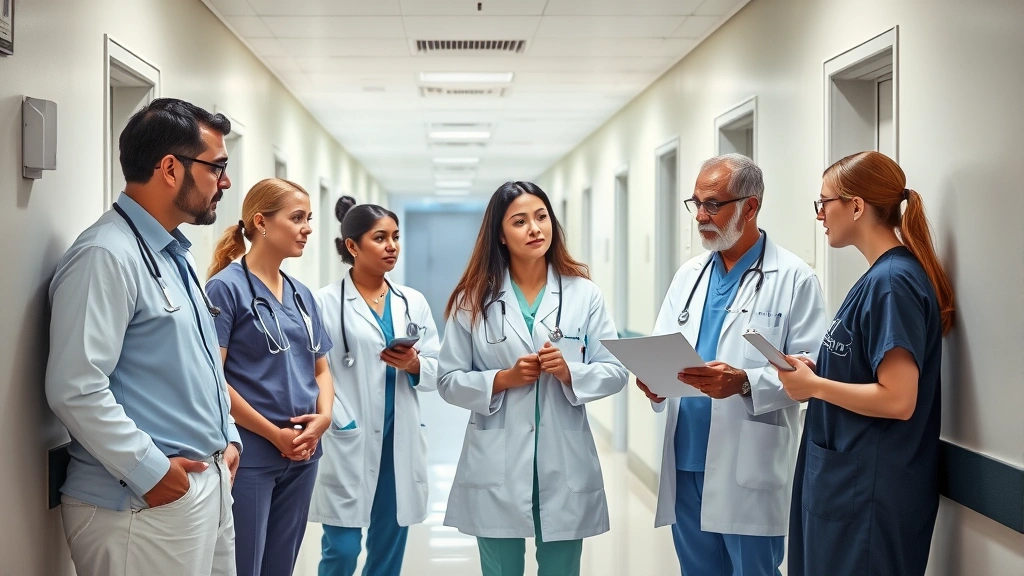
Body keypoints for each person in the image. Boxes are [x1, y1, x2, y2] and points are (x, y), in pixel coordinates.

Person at [45, 98, 241, 575]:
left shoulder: (174, 253)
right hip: (139, 505)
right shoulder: (105, 255)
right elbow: (75, 386)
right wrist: (153, 474)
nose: (226, 182)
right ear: (171, 168)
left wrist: (227, 440)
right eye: (218, 167)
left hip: (202, 487)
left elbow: (195, 364)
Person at [637, 154, 828, 576]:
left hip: (750, 463)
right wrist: (653, 382)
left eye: (713, 205)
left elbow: (813, 370)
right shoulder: (688, 276)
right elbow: (660, 345)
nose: (701, 216)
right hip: (686, 458)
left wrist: (745, 382)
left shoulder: (794, 278)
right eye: (696, 203)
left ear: (751, 206)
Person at [437, 181, 628, 576]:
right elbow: (448, 380)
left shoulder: (584, 294)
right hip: (497, 463)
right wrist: (503, 379)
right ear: (501, 236)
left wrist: (569, 372)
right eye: (520, 221)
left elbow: (615, 371)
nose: (535, 228)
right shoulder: (472, 299)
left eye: (541, 217)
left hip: (564, 461)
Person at [780, 151, 955, 576]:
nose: (819, 215)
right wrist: (818, 371)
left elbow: (899, 399)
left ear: (856, 206)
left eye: (824, 203)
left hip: (869, 495)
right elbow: (863, 367)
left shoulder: (893, 283)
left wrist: (814, 387)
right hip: (848, 485)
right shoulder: (878, 278)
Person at [205, 178, 334, 576]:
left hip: (303, 453)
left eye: (309, 218)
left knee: (281, 566)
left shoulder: (301, 294)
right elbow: (213, 379)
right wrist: (273, 434)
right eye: (297, 218)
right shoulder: (224, 289)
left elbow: (321, 368)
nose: (308, 228)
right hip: (252, 455)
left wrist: (324, 418)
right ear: (260, 222)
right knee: (246, 565)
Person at [310, 202, 440, 576]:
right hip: (347, 437)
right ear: (352, 247)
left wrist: (414, 365)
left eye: (395, 238)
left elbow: (437, 366)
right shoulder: (324, 303)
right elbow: (313, 372)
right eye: (380, 238)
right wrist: (333, 416)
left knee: (387, 550)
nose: (391, 246)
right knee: (343, 549)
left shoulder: (411, 301)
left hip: (399, 442)